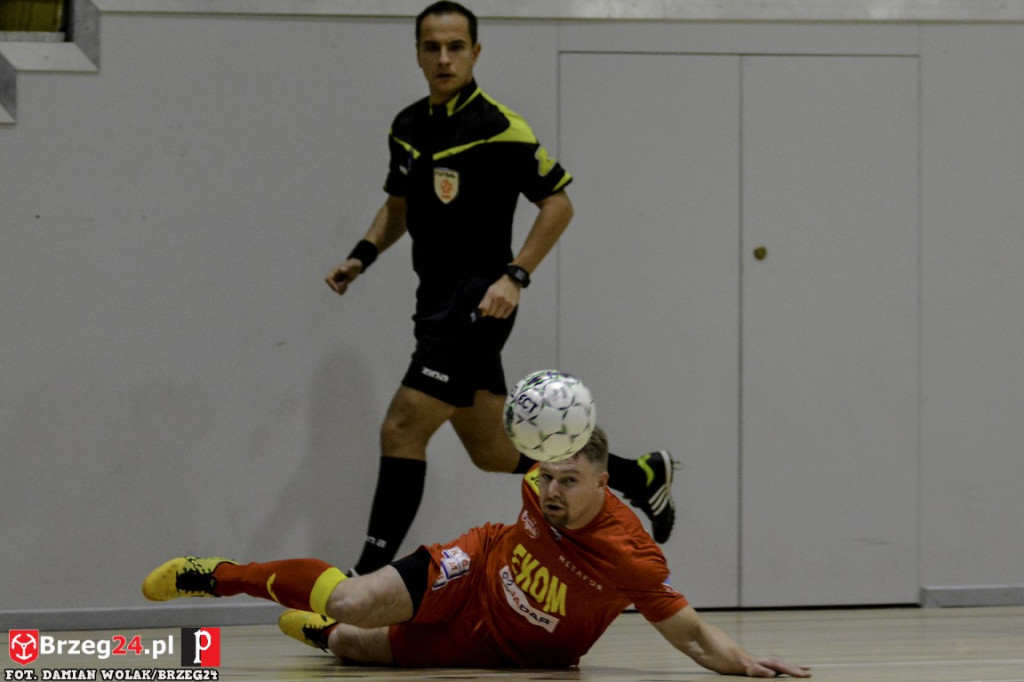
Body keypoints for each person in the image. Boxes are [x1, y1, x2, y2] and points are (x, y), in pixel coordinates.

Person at [324, 1, 675, 575]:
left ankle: (360, 584)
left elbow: (558, 204)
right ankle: (640, 474)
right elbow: (399, 207)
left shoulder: (500, 127)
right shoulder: (407, 127)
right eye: (432, 47)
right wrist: (360, 257)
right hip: (433, 304)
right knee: (493, 452)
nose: (444, 58)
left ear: (475, 52)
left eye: (456, 46)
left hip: (480, 302)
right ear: (417, 54)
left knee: (403, 424)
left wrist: (515, 276)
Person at [142, 427, 810, 677]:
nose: (549, 490)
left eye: (568, 481)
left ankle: (322, 632)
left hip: (510, 653)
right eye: (546, 475)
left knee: (348, 642)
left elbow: (691, 636)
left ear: (605, 485)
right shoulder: (533, 485)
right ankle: (218, 574)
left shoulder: (630, 555)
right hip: (471, 569)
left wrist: (744, 663)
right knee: (357, 598)